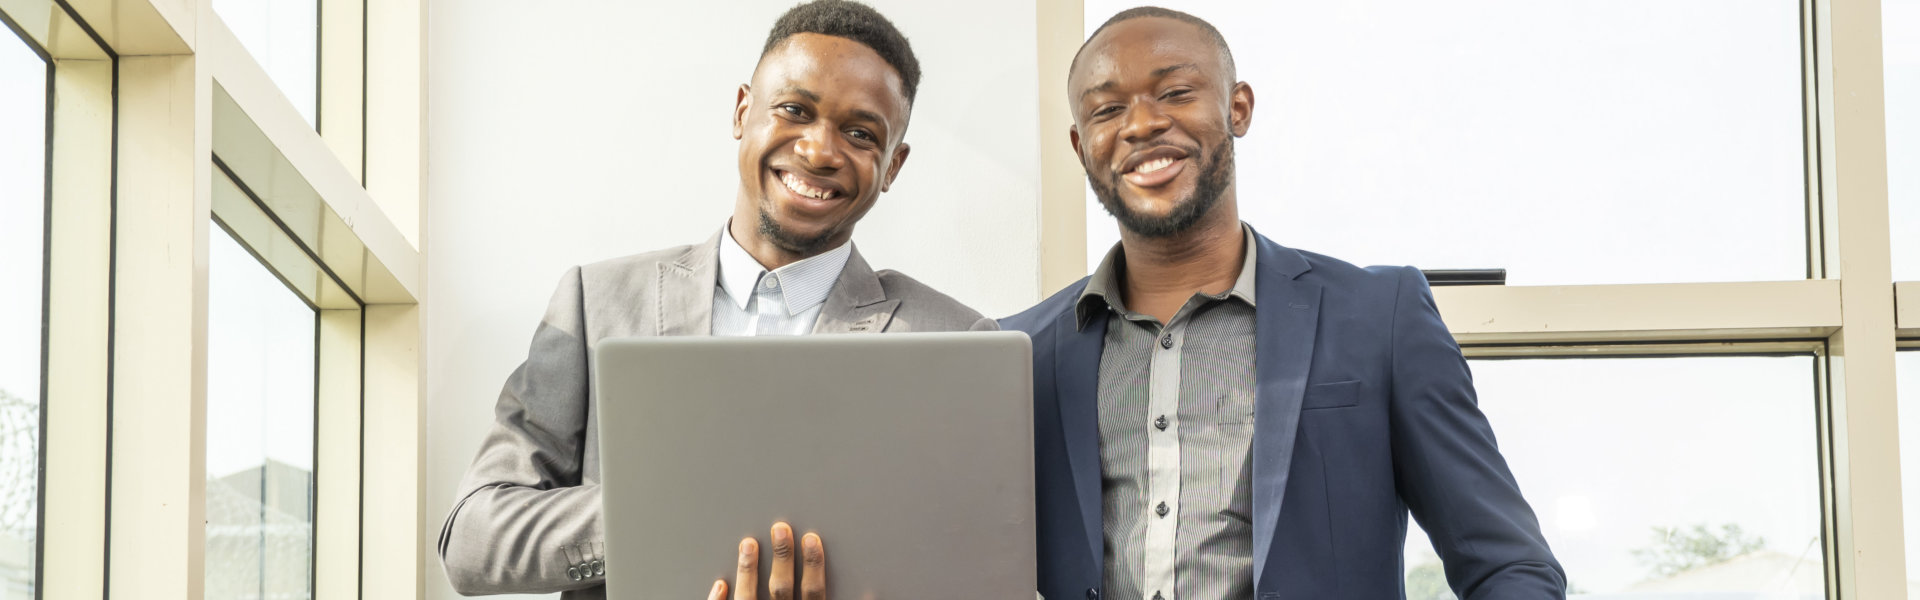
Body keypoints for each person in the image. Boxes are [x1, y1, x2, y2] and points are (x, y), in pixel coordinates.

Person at [998, 7, 1566, 599]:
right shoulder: (1019, 354)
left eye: (1175, 91)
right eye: (1108, 109)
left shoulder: (1379, 318)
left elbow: (1509, 565)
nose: (1141, 124)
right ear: (1079, 145)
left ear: (1237, 108)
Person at [437, 2, 992, 598]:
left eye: (860, 133)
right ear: (742, 111)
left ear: (893, 166)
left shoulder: (959, 342)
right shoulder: (595, 303)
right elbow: (473, 541)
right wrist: (680, 513)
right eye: (794, 110)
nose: (819, 150)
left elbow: (983, 561)